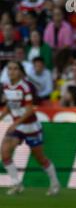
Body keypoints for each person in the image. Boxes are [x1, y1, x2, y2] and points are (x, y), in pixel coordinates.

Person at [0, 61, 60, 195]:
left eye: (15, 69)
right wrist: (2, 117)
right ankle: (17, 184)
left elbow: (30, 111)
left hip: (30, 127)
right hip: (18, 126)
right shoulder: (6, 86)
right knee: (4, 152)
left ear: (20, 71)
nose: (12, 71)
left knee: (39, 158)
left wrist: (15, 123)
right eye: (9, 69)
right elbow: (10, 105)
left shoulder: (26, 87)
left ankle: (55, 183)